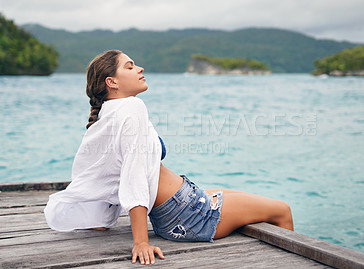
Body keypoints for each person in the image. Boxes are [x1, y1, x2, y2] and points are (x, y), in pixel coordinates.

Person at [44, 49, 293, 266]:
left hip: (182, 205)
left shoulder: (106, 116)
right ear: (112, 82)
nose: (140, 68)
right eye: (129, 67)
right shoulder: (131, 108)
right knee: (282, 210)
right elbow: (134, 176)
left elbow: (95, 173)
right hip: (189, 214)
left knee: (234, 193)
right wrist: (140, 242)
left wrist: (99, 219)